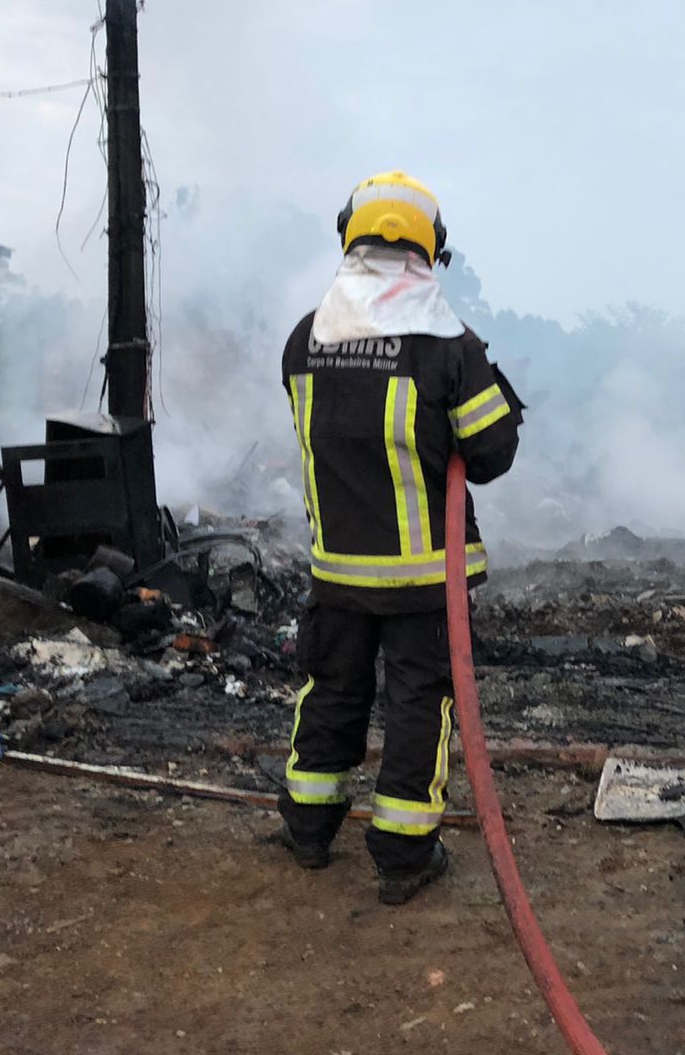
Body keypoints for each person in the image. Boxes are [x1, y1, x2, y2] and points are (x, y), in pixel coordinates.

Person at [275, 170, 523, 905]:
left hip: (338, 572)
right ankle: (404, 854)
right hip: (420, 580)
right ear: (429, 251)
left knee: (332, 691)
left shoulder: (303, 338)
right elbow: (492, 452)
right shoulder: (447, 347)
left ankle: (309, 828)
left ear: (349, 238)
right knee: (418, 706)